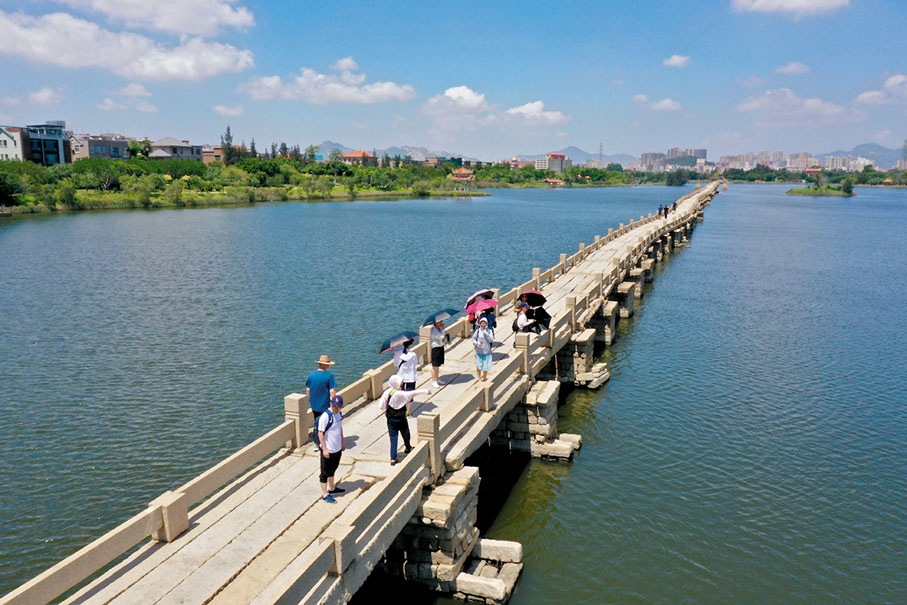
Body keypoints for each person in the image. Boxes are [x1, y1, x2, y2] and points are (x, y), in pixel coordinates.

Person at [380, 375, 431, 465]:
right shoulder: (400, 393)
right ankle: (408, 447)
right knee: (405, 433)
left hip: (391, 419)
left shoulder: (387, 392)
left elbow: (381, 406)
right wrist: (426, 391)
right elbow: (413, 393)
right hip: (401, 418)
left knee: (393, 437)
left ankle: (393, 458)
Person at [318, 395, 346, 503]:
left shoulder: (339, 414)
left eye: (338, 407)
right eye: (335, 406)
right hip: (328, 449)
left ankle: (332, 488)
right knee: (324, 472)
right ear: (331, 404)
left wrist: (342, 442)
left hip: (337, 448)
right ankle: (325, 494)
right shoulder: (325, 416)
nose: (336, 409)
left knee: (333, 469)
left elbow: (340, 429)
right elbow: (320, 433)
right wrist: (324, 449)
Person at [306, 354, 337, 449]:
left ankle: (316, 442)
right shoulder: (329, 376)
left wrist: (309, 400)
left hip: (314, 404)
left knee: (316, 423)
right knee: (326, 424)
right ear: (326, 365)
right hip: (325, 405)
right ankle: (324, 442)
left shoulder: (311, 375)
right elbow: (332, 391)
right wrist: (335, 403)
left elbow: (308, 389)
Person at [472, 315, 494, 381]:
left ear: (486, 323)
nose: (483, 324)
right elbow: (473, 339)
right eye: (482, 323)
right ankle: (478, 377)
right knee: (479, 365)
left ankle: (484, 377)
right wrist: (476, 343)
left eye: (484, 323)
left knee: (485, 366)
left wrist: (486, 334)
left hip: (487, 350)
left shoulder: (489, 331)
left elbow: (491, 340)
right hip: (479, 350)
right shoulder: (478, 331)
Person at [430, 319, 450, 388]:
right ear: (436, 322)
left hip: (441, 346)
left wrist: (442, 329)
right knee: (435, 366)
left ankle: (437, 378)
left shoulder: (439, 328)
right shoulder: (433, 330)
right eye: (440, 321)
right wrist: (443, 329)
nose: (441, 323)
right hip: (436, 348)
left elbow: (443, 337)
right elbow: (441, 337)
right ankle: (434, 381)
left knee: (438, 365)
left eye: (442, 321)